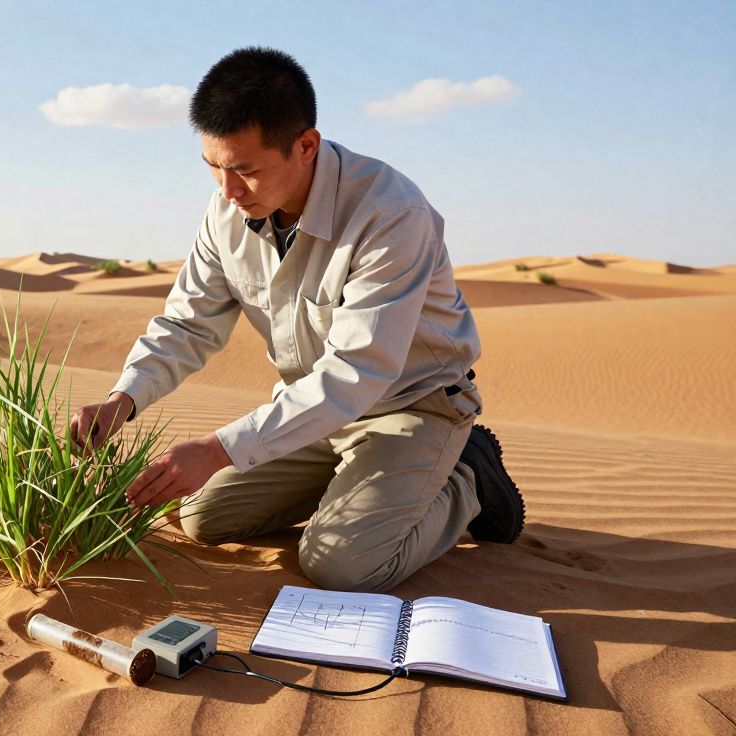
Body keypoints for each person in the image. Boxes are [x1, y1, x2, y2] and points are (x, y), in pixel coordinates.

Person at [68, 47, 525, 593]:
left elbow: (358, 372)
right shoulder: (227, 210)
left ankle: (465, 477)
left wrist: (218, 449)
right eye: (213, 168)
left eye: (244, 171)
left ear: (305, 145)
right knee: (199, 516)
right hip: (312, 411)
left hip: (411, 407)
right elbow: (187, 324)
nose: (227, 192)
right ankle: (357, 487)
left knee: (341, 566)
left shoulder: (392, 215)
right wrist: (124, 398)